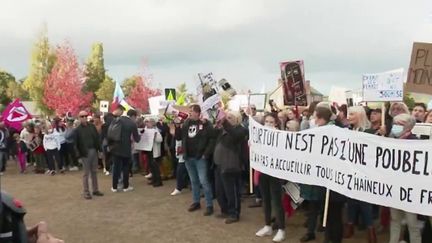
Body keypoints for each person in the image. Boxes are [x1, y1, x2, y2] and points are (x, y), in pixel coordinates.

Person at [344, 106, 377, 243]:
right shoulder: (349, 131)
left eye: (352, 114)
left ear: (360, 115)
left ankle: (371, 230)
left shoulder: (369, 132)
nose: (348, 116)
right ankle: (350, 225)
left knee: (365, 203)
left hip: (365, 173)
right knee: (351, 201)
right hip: (351, 171)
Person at [388, 113, 421, 243]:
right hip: (394, 188)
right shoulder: (389, 141)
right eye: (394, 124)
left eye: (399, 125)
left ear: (409, 127)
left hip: (410, 190)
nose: (395, 127)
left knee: (412, 224)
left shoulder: (417, 143)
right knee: (395, 220)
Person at [255, 113, 285, 242]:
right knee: (266, 200)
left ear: (276, 123)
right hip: (263, 172)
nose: (268, 124)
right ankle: (267, 225)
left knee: (276, 202)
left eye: (271, 122)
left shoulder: (281, 136)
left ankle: (281, 229)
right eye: (266, 121)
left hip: (275, 173)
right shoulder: (260, 136)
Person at [213, 111, 248, 224]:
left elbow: (235, 136)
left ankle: (234, 213)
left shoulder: (241, 130)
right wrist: (214, 125)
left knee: (232, 191)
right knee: (220, 190)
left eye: (230, 118)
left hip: (232, 165)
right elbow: (212, 136)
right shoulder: (224, 129)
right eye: (226, 118)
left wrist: (225, 123)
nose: (227, 119)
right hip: (220, 164)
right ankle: (225, 210)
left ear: (237, 119)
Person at [182, 104, 215, 216]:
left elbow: (212, 138)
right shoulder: (187, 123)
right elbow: (182, 137)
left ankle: (209, 205)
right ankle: (196, 202)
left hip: (200, 157)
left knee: (204, 181)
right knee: (194, 181)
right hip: (188, 157)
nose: (190, 113)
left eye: (191, 111)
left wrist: (206, 154)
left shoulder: (205, 123)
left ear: (197, 112)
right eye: (189, 111)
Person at [74, 110, 104, 200]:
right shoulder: (77, 130)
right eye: (82, 116)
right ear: (79, 118)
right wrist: (78, 156)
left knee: (94, 171)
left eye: (85, 116)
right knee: (86, 173)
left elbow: (97, 139)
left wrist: (100, 150)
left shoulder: (92, 126)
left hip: (93, 151)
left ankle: (95, 190)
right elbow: (75, 145)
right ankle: (86, 192)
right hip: (84, 153)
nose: (84, 118)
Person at [108, 107, 140, 192]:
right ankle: (126, 186)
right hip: (126, 148)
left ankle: (114, 187)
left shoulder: (117, 120)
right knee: (126, 167)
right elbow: (137, 139)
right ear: (133, 116)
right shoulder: (132, 124)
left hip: (115, 147)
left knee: (116, 168)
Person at [170, 118, 189, 196]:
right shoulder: (179, 128)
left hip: (183, 152)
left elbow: (178, 137)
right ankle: (183, 185)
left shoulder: (183, 129)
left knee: (180, 171)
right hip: (181, 151)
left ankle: (179, 188)